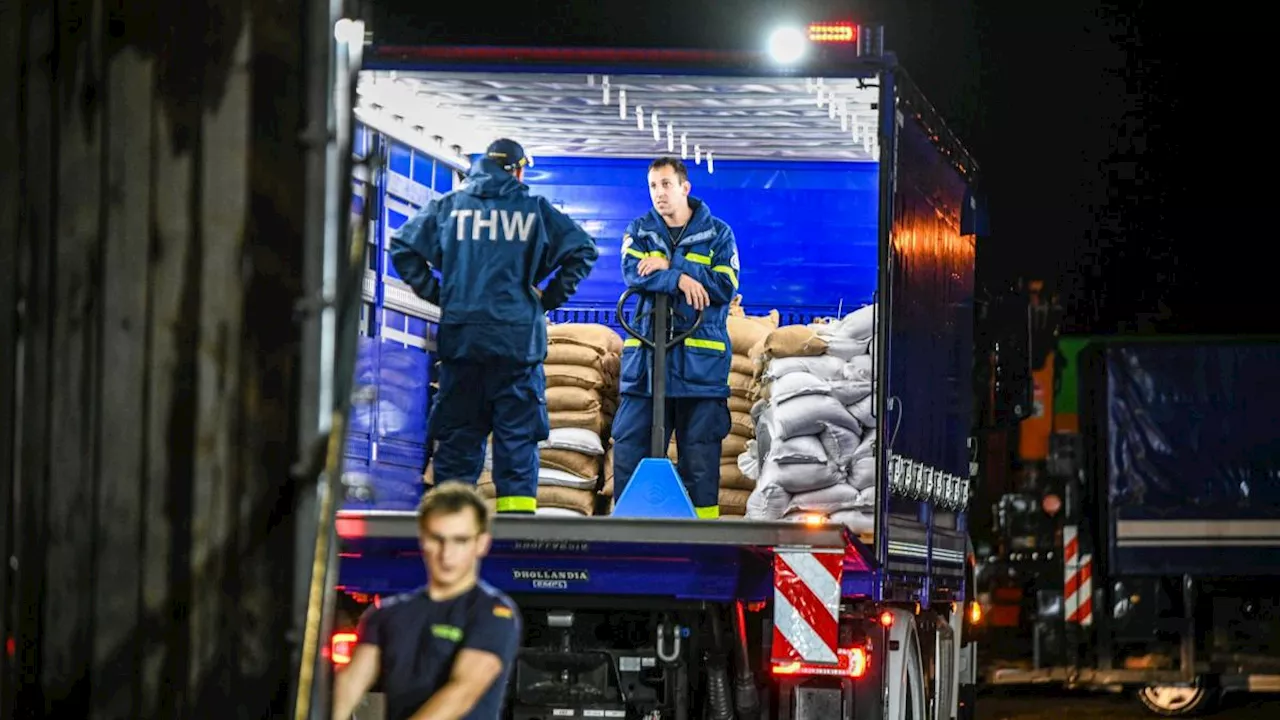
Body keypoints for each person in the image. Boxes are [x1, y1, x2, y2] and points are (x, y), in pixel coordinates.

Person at [391, 138, 599, 514]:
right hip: (517, 348)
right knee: (517, 445)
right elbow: (583, 250)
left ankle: (453, 533)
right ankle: (516, 540)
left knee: (457, 446)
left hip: (462, 344)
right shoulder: (534, 210)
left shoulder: (449, 207)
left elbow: (402, 247)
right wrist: (545, 300)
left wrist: (442, 295)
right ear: (518, 170)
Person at [612, 156, 741, 519]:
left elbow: (723, 285)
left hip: (700, 370)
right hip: (647, 368)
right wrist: (681, 282)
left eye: (666, 184)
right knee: (630, 449)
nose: (659, 193)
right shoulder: (639, 230)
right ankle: (628, 535)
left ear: (685, 187)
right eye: (653, 186)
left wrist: (673, 266)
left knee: (700, 459)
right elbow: (633, 274)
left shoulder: (719, 234)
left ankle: (705, 542)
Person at [331, 483, 522, 720]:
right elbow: (349, 686)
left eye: (460, 540)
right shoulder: (385, 615)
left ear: (481, 544)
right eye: (437, 539)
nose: (447, 553)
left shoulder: (492, 613)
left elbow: (462, 692)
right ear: (422, 539)